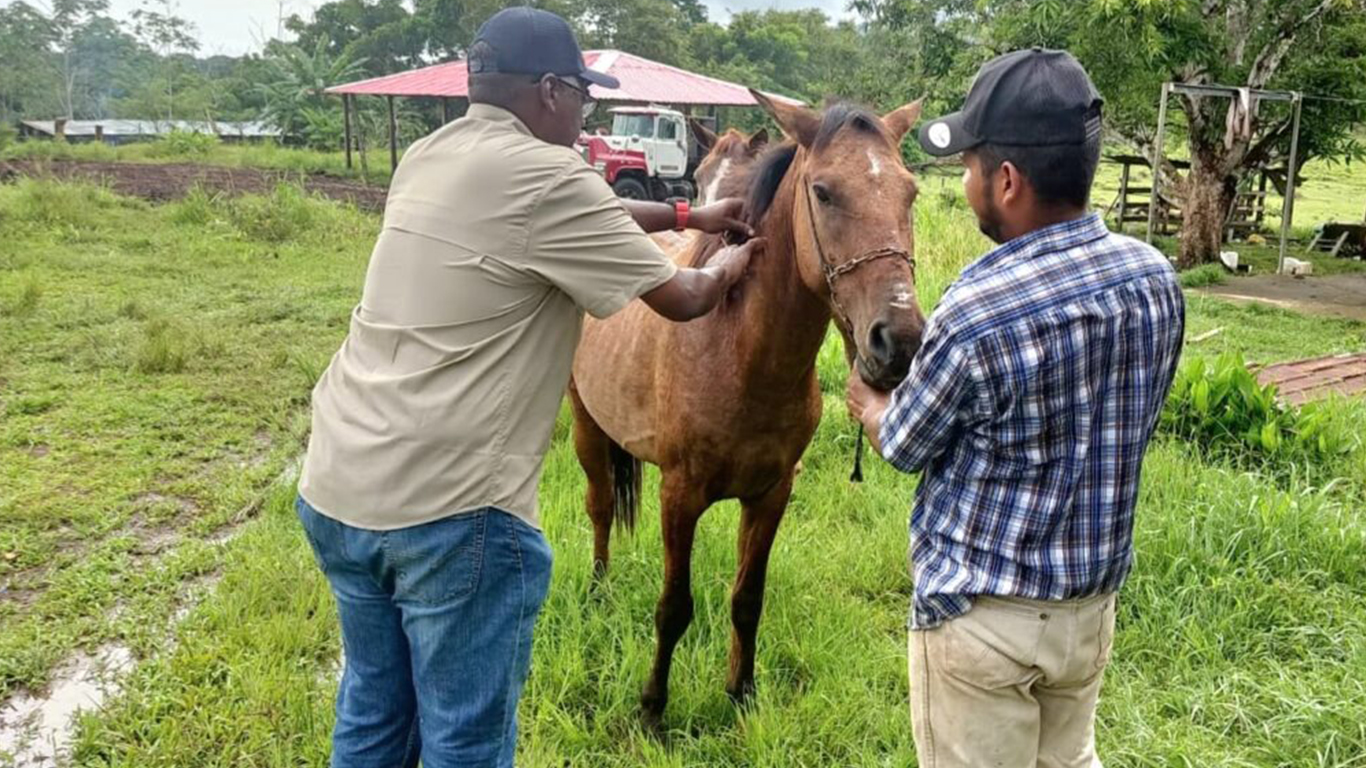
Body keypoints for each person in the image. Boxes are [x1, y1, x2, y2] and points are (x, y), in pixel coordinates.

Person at [293, 8, 763, 768]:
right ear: (549, 90)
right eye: (583, 95)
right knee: (465, 744)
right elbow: (686, 297)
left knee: (374, 718)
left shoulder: (429, 153)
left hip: (339, 484)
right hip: (448, 514)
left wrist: (687, 210)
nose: (586, 112)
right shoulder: (550, 176)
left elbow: (594, 210)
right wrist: (730, 259)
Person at [846, 49, 1185, 767]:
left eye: (969, 168)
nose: (967, 184)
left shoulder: (977, 309)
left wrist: (870, 401)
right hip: (1088, 616)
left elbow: (905, 443)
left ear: (1006, 180)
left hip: (983, 626)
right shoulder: (1155, 280)